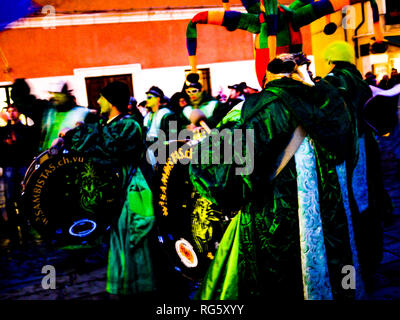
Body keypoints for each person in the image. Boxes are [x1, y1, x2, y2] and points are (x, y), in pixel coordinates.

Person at [189, 52, 363, 300]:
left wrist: (205, 147)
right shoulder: (335, 102)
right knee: (339, 277)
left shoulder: (260, 109)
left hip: (280, 225)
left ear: (267, 78)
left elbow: (221, 180)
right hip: (336, 222)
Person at [60, 81, 156, 297]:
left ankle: (139, 286)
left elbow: (108, 147)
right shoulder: (108, 124)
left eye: (102, 97)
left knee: (132, 236)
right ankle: (124, 283)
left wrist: (74, 134)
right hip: (114, 190)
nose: (98, 101)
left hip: (131, 190)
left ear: (111, 102)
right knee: (119, 237)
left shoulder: (130, 125)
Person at [323, 41, 391, 290]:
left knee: (350, 215)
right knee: (368, 204)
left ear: (330, 59)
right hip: (366, 148)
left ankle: (350, 279)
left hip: (347, 154)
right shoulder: (359, 80)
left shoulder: (331, 81)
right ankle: (372, 267)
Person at [0, 104, 36, 242]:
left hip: (22, 164)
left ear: (18, 112)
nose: (11, 113)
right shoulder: (4, 130)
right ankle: (13, 223)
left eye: (13, 110)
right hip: (10, 165)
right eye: (9, 111)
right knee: (10, 196)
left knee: (23, 194)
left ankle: (25, 220)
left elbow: (28, 145)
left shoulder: (25, 129)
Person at [39, 82, 94, 153]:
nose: (55, 96)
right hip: (47, 156)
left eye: (59, 94)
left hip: (68, 158)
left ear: (66, 94)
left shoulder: (82, 113)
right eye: (53, 93)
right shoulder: (50, 112)